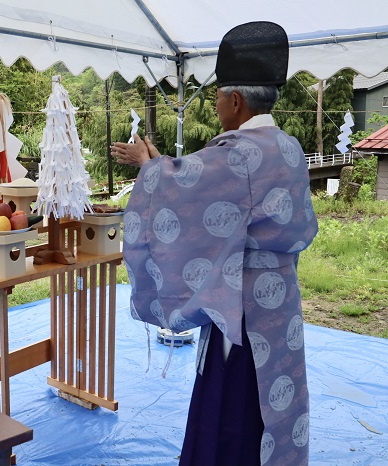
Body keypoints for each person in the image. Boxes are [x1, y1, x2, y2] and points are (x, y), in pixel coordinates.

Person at [111, 22, 318, 466]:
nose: (216, 102)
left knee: (234, 409)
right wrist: (160, 166)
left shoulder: (239, 152)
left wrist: (150, 167)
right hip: (282, 301)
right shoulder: (290, 147)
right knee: (278, 402)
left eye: (218, 95)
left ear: (236, 101)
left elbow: (185, 189)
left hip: (243, 308)